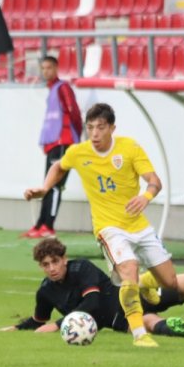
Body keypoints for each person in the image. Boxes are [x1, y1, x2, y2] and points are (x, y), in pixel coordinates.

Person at [25, 102, 174, 348]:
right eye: (90, 127)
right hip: (108, 227)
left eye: (100, 127)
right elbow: (58, 167)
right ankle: (140, 335)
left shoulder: (129, 148)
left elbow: (154, 180)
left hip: (138, 225)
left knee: (169, 282)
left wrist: (145, 197)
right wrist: (44, 188)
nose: (94, 133)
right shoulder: (79, 152)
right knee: (128, 270)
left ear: (112, 128)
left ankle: (147, 283)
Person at [3, 238, 184, 337]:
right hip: (117, 319)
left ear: (64, 258)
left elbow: (92, 303)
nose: (52, 268)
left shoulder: (81, 268)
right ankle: (178, 329)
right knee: (150, 324)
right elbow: (37, 320)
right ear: (41, 267)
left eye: (55, 262)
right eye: (46, 265)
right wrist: (15, 328)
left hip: (133, 292)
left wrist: (59, 324)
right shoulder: (46, 291)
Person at [24, 55, 82, 239]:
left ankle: (48, 225)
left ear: (56, 68)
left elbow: (73, 111)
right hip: (54, 144)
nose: (45, 71)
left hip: (63, 142)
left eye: (49, 67)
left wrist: (74, 137)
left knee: (55, 185)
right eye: (43, 68)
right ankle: (40, 224)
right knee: (47, 185)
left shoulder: (63, 87)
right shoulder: (51, 91)